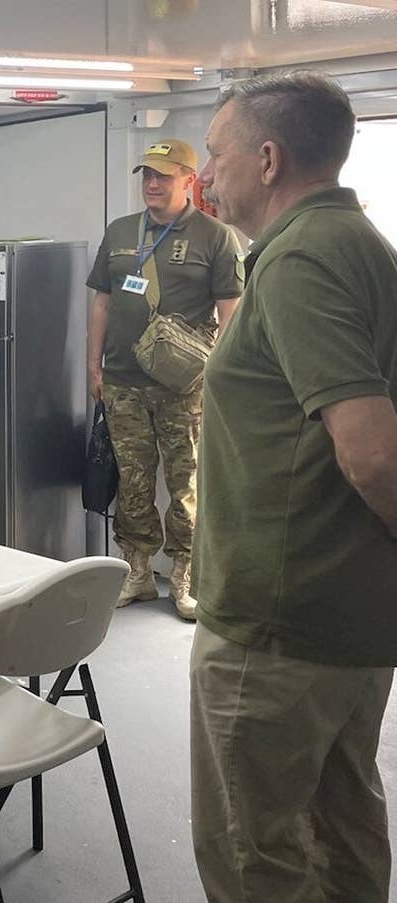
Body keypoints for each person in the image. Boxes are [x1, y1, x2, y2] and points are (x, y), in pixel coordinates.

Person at [190, 71, 397, 902]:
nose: (207, 175)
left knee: (256, 853)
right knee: (342, 826)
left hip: (279, 628)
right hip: (347, 613)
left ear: (268, 159)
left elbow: (373, 452)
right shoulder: (358, 245)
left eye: (216, 154)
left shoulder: (302, 259)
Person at [85, 138, 244, 619]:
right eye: (147, 175)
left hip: (186, 387)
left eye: (163, 176)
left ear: (189, 180)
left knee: (187, 483)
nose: (152, 184)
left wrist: (226, 380)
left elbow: (231, 315)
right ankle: (136, 571)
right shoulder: (119, 232)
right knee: (132, 481)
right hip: (122, 381)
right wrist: (93, 366)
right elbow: (103, 303)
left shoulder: (215, 237)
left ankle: (185, 576)